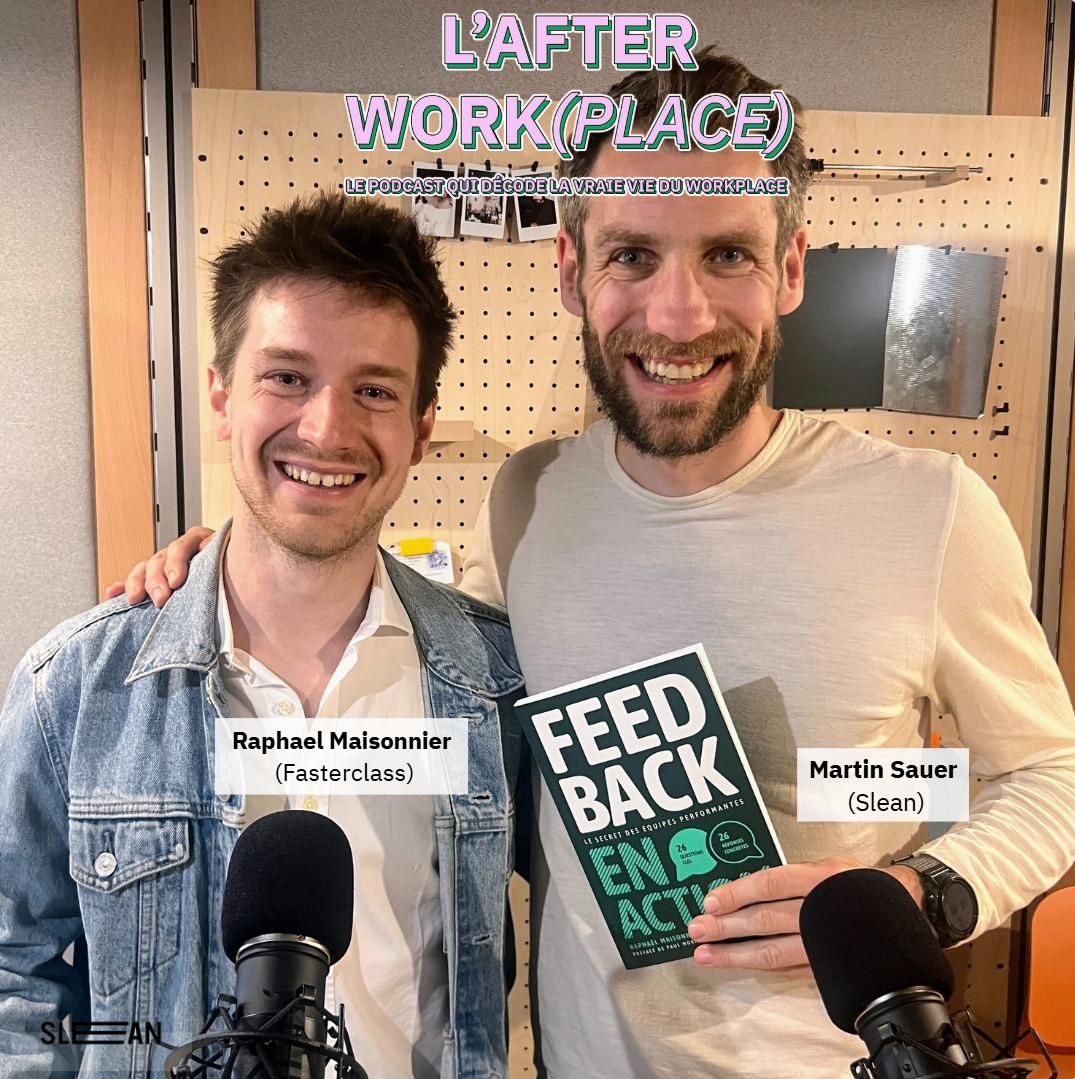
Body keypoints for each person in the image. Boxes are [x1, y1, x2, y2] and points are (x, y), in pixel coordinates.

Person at [112, 51, 1075, 1079]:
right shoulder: (525, 497)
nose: (676, 316)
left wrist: (929, 887)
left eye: (727, 257)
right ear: (570, 269)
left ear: (792, 267)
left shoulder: (930, 511)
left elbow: (1051, 775)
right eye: (630, 256)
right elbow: (437, 681)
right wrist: (236, 562)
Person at [0, 193, 526, 1079]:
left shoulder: (499, 680)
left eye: (373, 390)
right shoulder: (75, 688)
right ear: (220, 396)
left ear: (421, 427)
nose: (325, 427)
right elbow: (19, 973)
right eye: (286, 376)